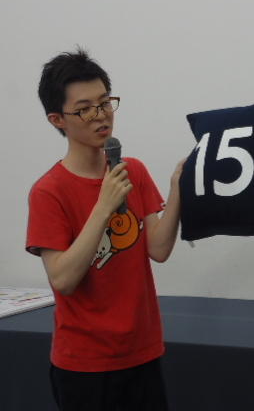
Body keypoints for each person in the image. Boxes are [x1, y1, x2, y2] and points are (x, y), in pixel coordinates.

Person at [26, 48, 185, 410]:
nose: (101, 116)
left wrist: (177, 190)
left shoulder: (132, 170)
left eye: (105, 103)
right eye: (85, 109)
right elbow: (63, 279)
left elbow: (159, 249)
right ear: (57, 119)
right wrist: (103, 207)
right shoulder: (49, 192)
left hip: (142, 351)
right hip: (85, 364)